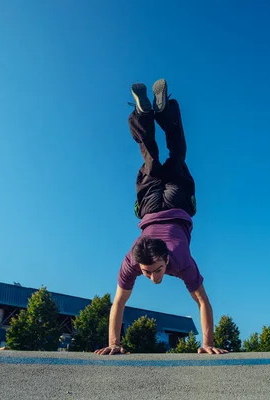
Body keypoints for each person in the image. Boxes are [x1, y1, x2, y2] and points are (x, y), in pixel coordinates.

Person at [94, 79, 227, 356]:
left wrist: (208, 343)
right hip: (157, 205)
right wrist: (114, 344)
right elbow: (201, 301)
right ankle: (153, 111)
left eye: (156, 269)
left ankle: (146, 113)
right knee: (158, 159)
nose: (153, 276)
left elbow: (119, 302)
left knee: (168, 157)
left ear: (167, 258)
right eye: (148, 271)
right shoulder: (136, 259)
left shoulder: (175, 259)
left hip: (166, 205)